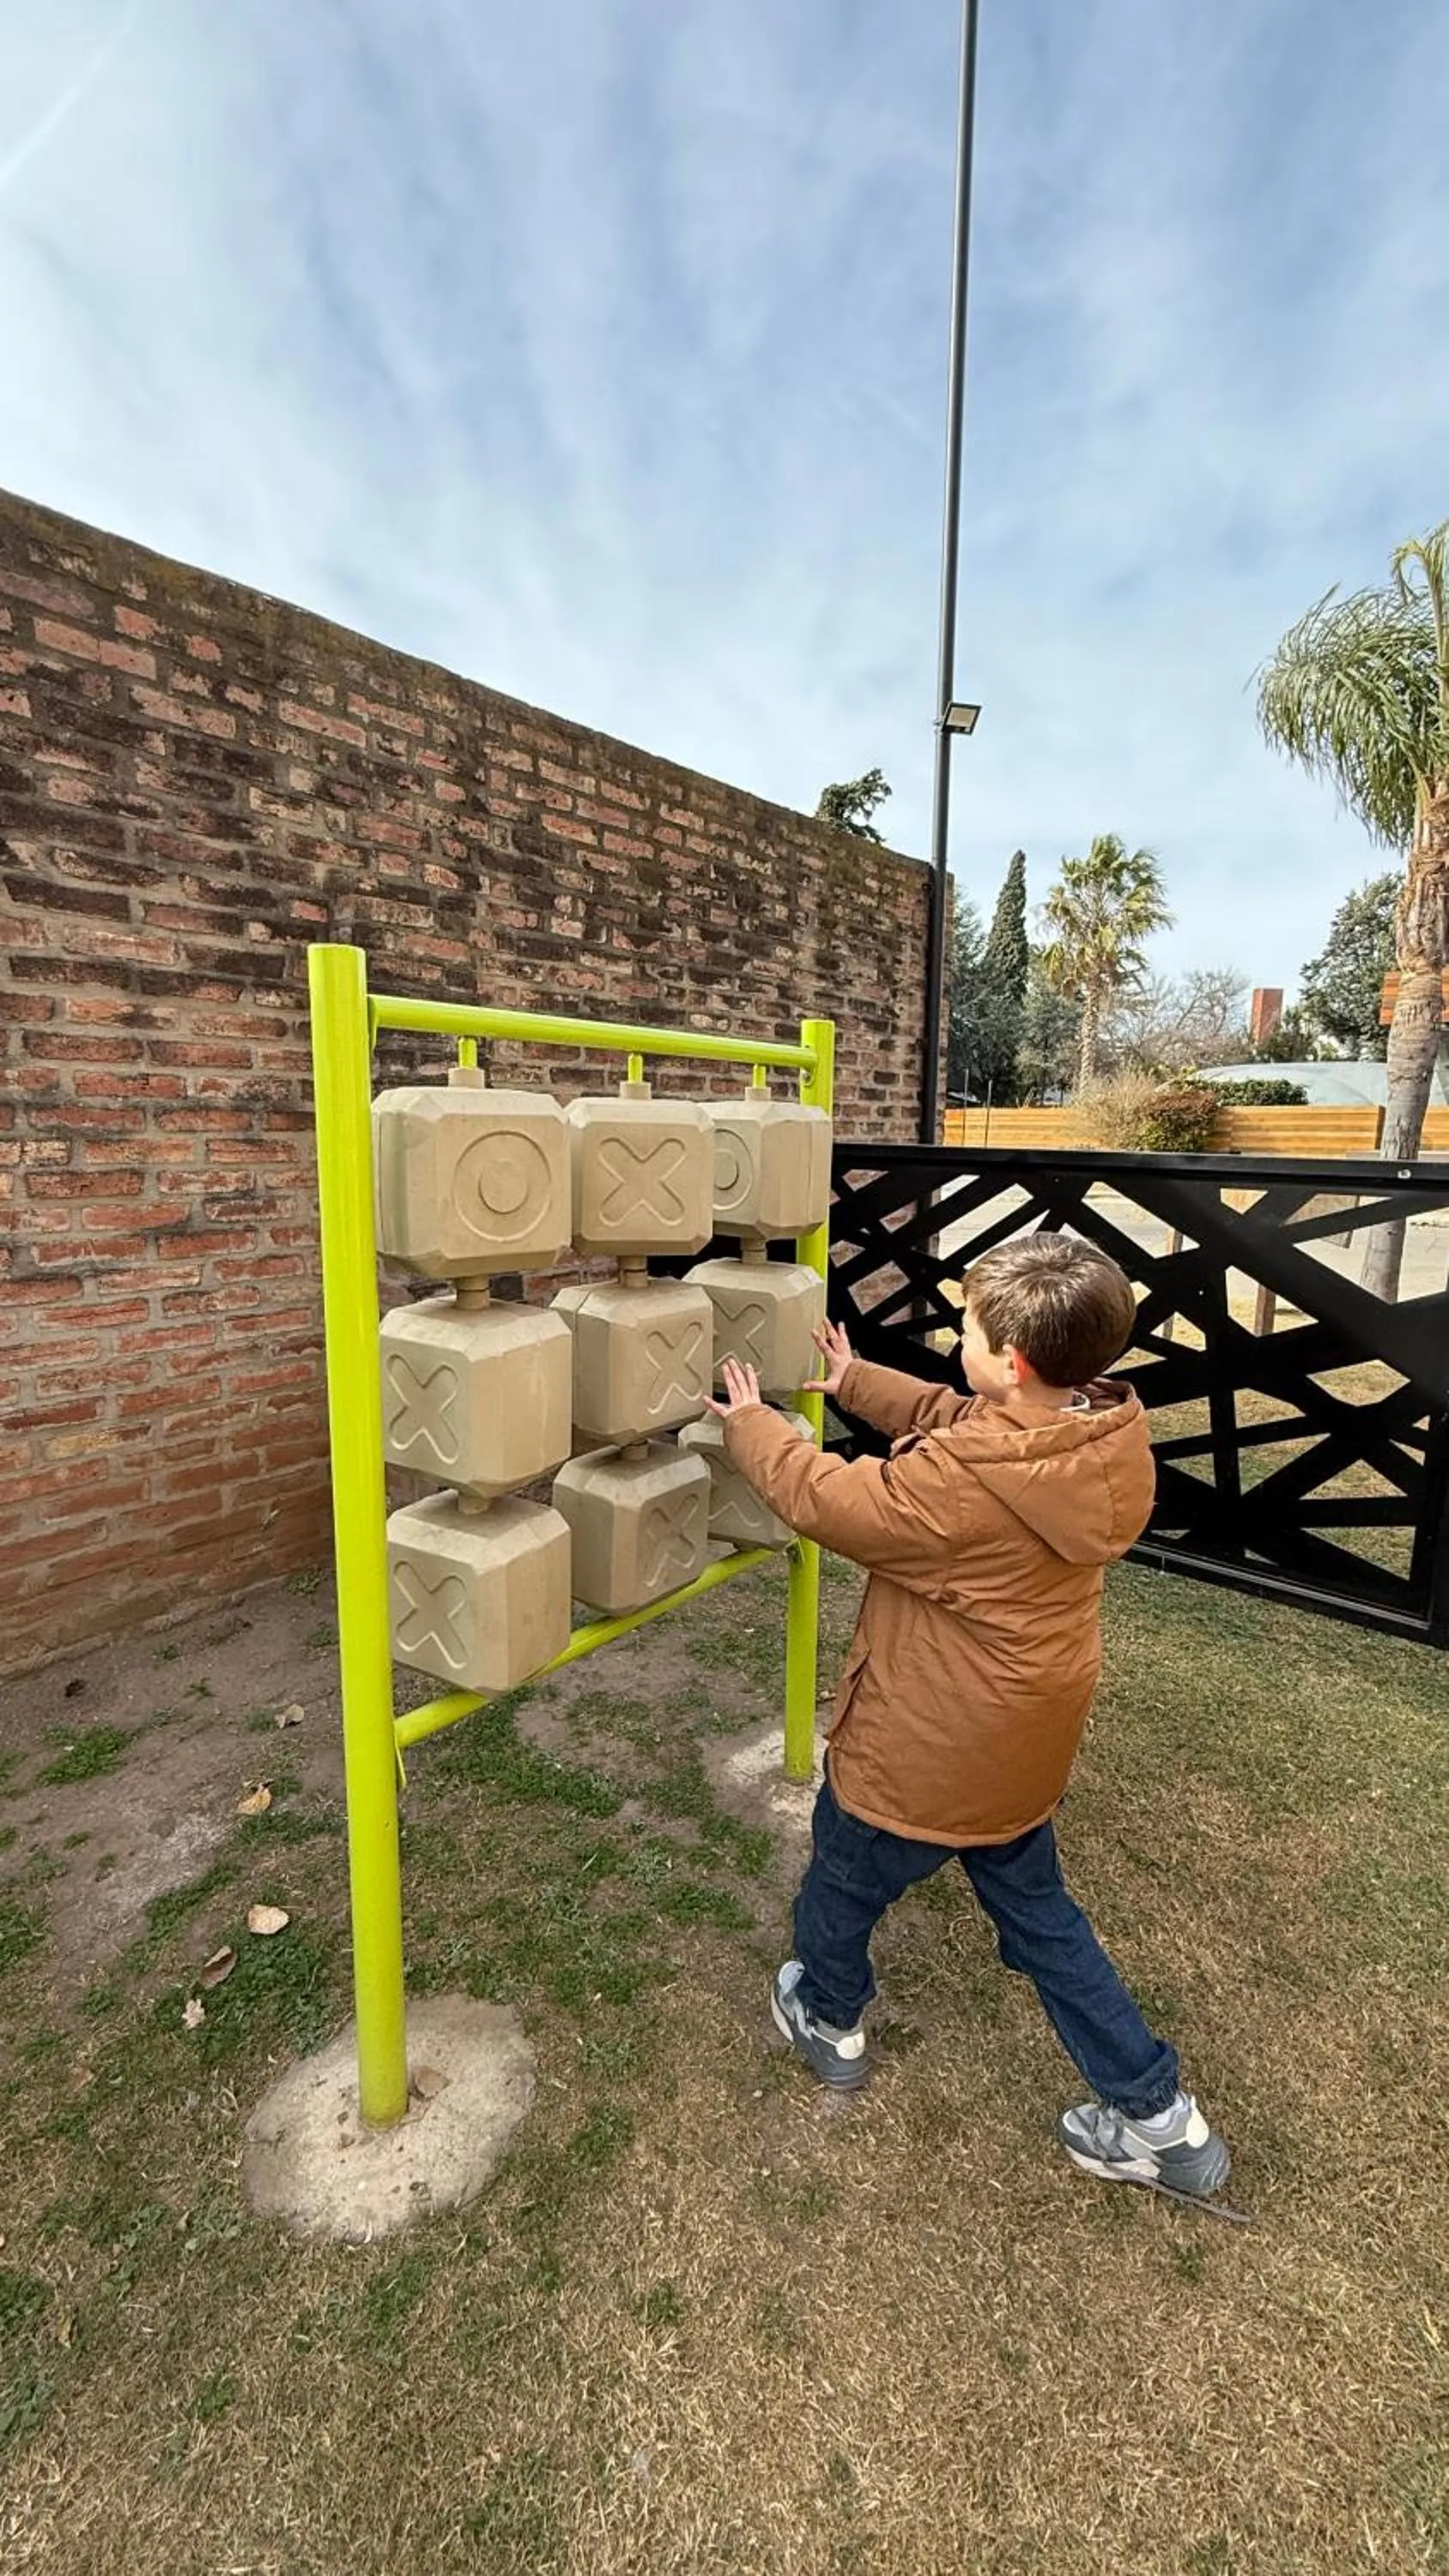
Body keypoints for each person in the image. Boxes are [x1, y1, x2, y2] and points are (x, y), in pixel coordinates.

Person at [705, 1231, 1230, 2203]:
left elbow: (830, 1500)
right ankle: (1162, 2122)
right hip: (1020, 1742)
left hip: (926, 1744)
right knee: (1043, 1922)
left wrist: (753, 1428)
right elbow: (965, 1422)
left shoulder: (953, 1492)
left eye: (968, 1330)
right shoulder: (1097, 1431)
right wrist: (856, 1381)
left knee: (841, 1879)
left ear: (1010, 1360)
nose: (958, 1339)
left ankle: (826, 2017)